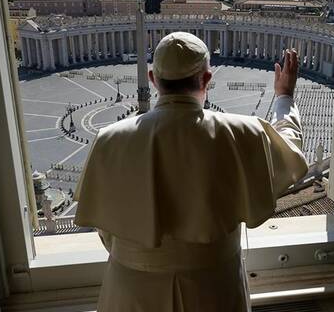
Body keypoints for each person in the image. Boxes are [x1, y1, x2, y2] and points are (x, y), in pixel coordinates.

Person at [74, 32, 308, 311]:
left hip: (131, 290)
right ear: (207, 79)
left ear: (152, 79)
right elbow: (290, 151)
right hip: (213, 288)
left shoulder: (109, 140)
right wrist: (284, 97)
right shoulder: (244, 132)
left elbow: (105, 229)